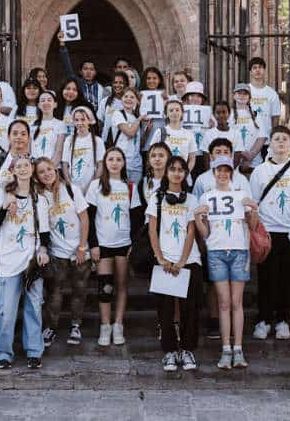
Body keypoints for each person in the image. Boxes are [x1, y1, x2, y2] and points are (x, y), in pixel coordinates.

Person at [194, 155, 259, 369]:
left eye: (226, 170)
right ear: (213, 173)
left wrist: (254, 209)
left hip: (239, 250)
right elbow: (205, 233)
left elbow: (253, 224)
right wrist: (197, 219)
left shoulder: (240, 195)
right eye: (218, 171)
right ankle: (226, 348)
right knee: (223, 302)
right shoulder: (206, 197)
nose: (222, 174)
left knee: (236, 301)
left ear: (231, 173)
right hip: (216, 251)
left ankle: (238, 348)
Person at [250, 126, 290, 341]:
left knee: (288, 279)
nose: (280, 142)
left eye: (284, 139)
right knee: (267, 278)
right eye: (276, 138)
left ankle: (282, 319)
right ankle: (263, 319)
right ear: (270, 143)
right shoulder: (260, 170)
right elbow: (253, 204)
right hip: (268, 231)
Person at [0, 155, 51, 369]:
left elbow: (44, 231)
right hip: (8, 260)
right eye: (19, 166)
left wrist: (43, 250)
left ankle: (34, 351)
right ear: (13, 170)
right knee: (6, 311)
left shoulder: (39, 199)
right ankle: (2, 352)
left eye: (27, 166)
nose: (23, 169)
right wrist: (5, 207)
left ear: (32, 170)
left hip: (31, 261)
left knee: (34, 307)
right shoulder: (3, 195)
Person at [146, 156, 202, 372]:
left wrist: (182, 261)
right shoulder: (156, 197)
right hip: (164, 260)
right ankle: (169, 351)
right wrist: (161, 259)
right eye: (173, 169)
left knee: (190, 308)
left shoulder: (191, 199)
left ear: (186, 174)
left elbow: (190, 230)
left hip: (189, 260)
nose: (177, 173)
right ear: (167, 172)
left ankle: (187, 349)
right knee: (165, 309)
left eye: (181, 170)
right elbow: (152, 230)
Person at [86, 148, 141, 346]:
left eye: (119, 159)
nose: (115, 163)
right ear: (105, 162)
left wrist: (133, 244)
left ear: (124, 163)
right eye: (111, 159)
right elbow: (90, 218)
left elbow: (136, 219)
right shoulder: (96, 186)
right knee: (105, 287)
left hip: (123, 244)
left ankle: (118, 324)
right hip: (103, 244)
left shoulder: (129, 186)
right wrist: (93, 245)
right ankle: (105, 326)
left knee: (122, 285)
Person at [35, 158, 90, 347]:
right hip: (57, 251)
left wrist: (82, 246)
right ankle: (52, 327)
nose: (46, 174)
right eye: (41, 172)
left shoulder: (71, 189)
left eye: (49, 169)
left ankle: (76, 325)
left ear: (56, 170)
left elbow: (84, 218)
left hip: (78, 250)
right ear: (37, 176)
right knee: (54, 292)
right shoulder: (40, 196)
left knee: (79, 289)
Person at [0, 120, 34, 195]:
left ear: (28, 138)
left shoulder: (33, 161)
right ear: (9, 137)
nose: (19, 137)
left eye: (23, 134)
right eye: (15, 134)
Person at [61, 106, 105, 194]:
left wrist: (91, 186)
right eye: (76, 120)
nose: (79, 123)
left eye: (83, 119)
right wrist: (70, 185)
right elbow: (65, 164)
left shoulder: (97, 141)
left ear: (89, 121)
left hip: (91, 187)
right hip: (74, 186)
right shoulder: (69, 140)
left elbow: (101, 165)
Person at [58, 33, 107, 110]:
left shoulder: (101, 88)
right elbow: (67, 67)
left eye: (91, 69)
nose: (88, 72)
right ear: (80, 71)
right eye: (85, 69)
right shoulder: (77, 83)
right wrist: (62, 44)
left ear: (95, 72)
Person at [148, 98, 198, 172]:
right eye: (171, 110)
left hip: (182, 174)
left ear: (182, 113)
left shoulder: (189, 134)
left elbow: (192, 159)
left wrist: (185, 173)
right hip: (164, 174)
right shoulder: (160, 132)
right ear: (166, 114)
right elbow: (151, 154)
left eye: (177, 110)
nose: (174, 112)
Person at [109, 87, 144, 183]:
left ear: (137, 101)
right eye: (126, 96)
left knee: (134, 194)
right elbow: (130, 133)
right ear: (121, 99)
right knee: (122, 193)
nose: (128, 99)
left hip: (136, 164)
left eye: (132, 97)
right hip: (121, 163)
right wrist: (139, 119)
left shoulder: (136, 117)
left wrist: (147, 129)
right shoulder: (117, 114)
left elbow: (139, 142)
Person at [231, 83, 267, 173]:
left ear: (249, 97)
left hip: (254, 163)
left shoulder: (256, 115)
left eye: (245, 94)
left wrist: (250, 156)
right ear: (234, 96)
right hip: (233, 161)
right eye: (239, 93)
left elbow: (262, 137)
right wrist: (242, 154)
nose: (242, 96)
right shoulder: (228, 114)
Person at [248, 57, 282, 136]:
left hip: (267, 138)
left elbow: (275, 117)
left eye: (260, 67)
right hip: (248, 138)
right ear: (250, 72)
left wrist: (273, 136)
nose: (257, 70)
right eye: (254, 68)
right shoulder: (245, 91)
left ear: (264, 70)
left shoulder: (272, 93)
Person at [31, 90, 67, 163]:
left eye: (49, 100)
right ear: (38, 105)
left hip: (53, 168)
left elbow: (59, 151)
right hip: (35, 167)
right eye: (43, 100)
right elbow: (29, 150)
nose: (46, 103)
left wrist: (50, 168)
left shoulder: (60, 124)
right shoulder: (32, 125)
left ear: (55, 104)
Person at [139, 66, 167, 152]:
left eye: (154, 78)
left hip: (160, 137)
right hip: (144, 137)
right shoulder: (139, 96)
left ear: (159, 80)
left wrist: (166, 102)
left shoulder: (165, 97)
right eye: (148, 78)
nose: (151, 81)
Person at [98, 71, 128, 145]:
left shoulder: (130, 102)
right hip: (107, 143)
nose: (117, 85)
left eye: (121, 82)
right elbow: (100, 123)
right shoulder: (105, 102)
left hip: (125, 142)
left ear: (126, 84)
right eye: (115, 82)